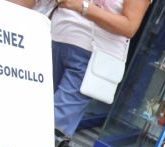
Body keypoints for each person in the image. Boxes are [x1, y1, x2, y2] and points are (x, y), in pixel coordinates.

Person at [49, 0, 150, 137]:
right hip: (55, 38)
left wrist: (83, 7)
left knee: (55, 121)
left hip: (90, 53)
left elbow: (129, 26)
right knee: (38, 109)